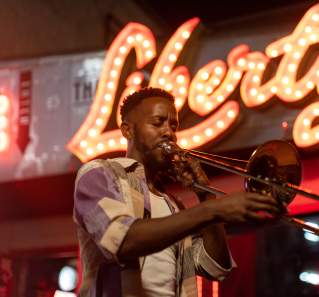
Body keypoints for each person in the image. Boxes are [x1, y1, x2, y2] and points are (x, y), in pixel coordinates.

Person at [73, 87, 282, 297]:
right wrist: (212, 209)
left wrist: (205, 195)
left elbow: (216, 266)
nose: (169, 133)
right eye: (157, 123)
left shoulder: (172, 205)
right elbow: (123, 241)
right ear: (128, 130)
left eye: (173, 126)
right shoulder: (100, 174)